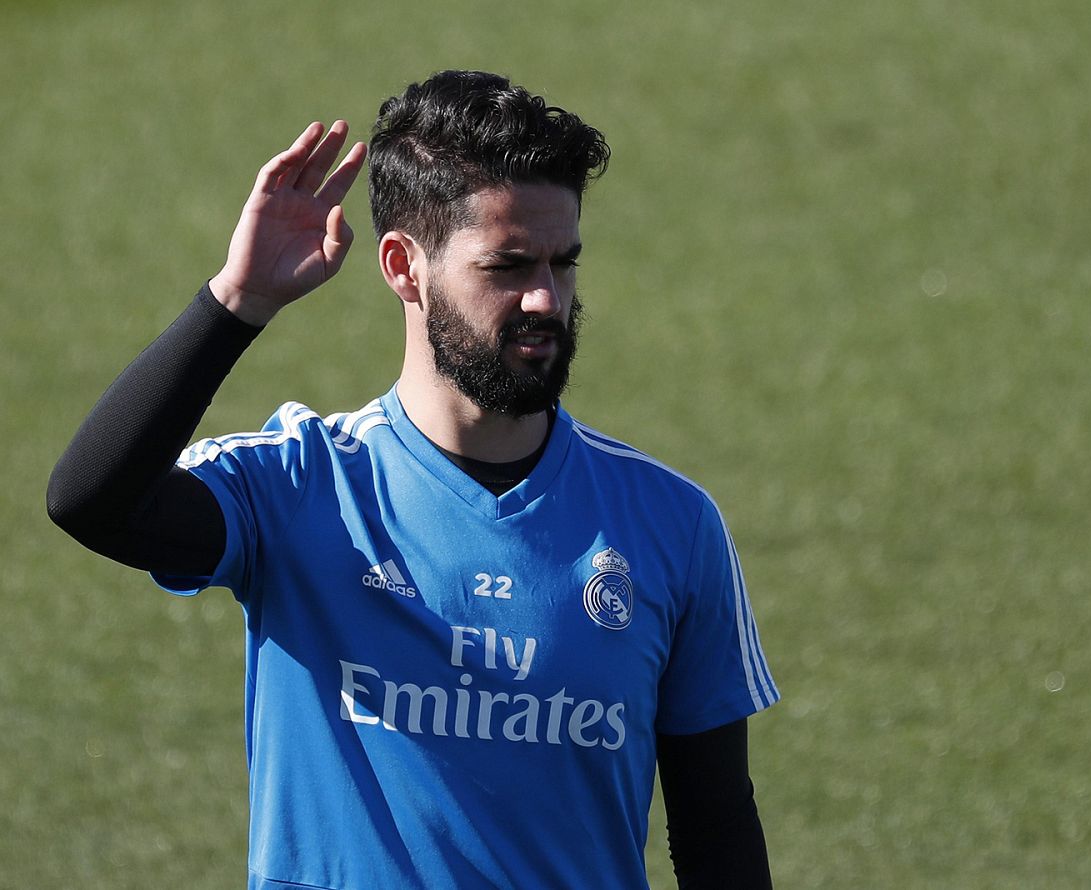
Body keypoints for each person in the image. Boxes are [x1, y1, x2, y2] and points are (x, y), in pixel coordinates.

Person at [47, 70, 779, 889]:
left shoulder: (670, 524)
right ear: (405, 266)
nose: (547, 297)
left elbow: (716, 830)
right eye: (507, 266)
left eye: (563, 263)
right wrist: (236, 304)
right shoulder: (300, 487)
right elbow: (90, 500)